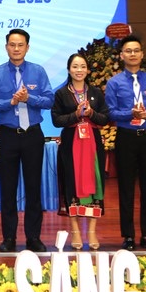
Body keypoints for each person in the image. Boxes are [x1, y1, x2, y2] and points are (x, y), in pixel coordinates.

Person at [0, 28, 54, 253]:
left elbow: (49, 100)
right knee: (8, 189)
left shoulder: (38, 71)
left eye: (20, 45)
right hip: (7, 135)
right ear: (6, 47)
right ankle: (9, 238)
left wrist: (28, 98)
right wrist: (11, 102)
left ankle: (33, 237)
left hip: (32, 135)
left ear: (27, 47)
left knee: (34, 188)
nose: (16, 49)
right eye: (12, 45)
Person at [105, 35, 146, 251]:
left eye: (136, 50)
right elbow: (110, 112)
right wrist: (129, 113)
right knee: (126, 188)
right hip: (126, 138)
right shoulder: (114, 83)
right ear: (121, 55)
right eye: (128, 51)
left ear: (142, 54)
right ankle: (129, 236)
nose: (132, 54)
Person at [52, 54, 109, 250]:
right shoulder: (61, 94)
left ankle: (92, 231)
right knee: (72, 184)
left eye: (83, 66)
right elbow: (56, 120)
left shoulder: (96, 93)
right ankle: (75, 231)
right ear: (69, 70)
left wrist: (91, 113)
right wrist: (75, 115)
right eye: (75, 66)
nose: (79, 70)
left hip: (92, 145)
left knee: (95, 183)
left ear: (88, 70)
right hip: (70, 145)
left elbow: (105, 118)